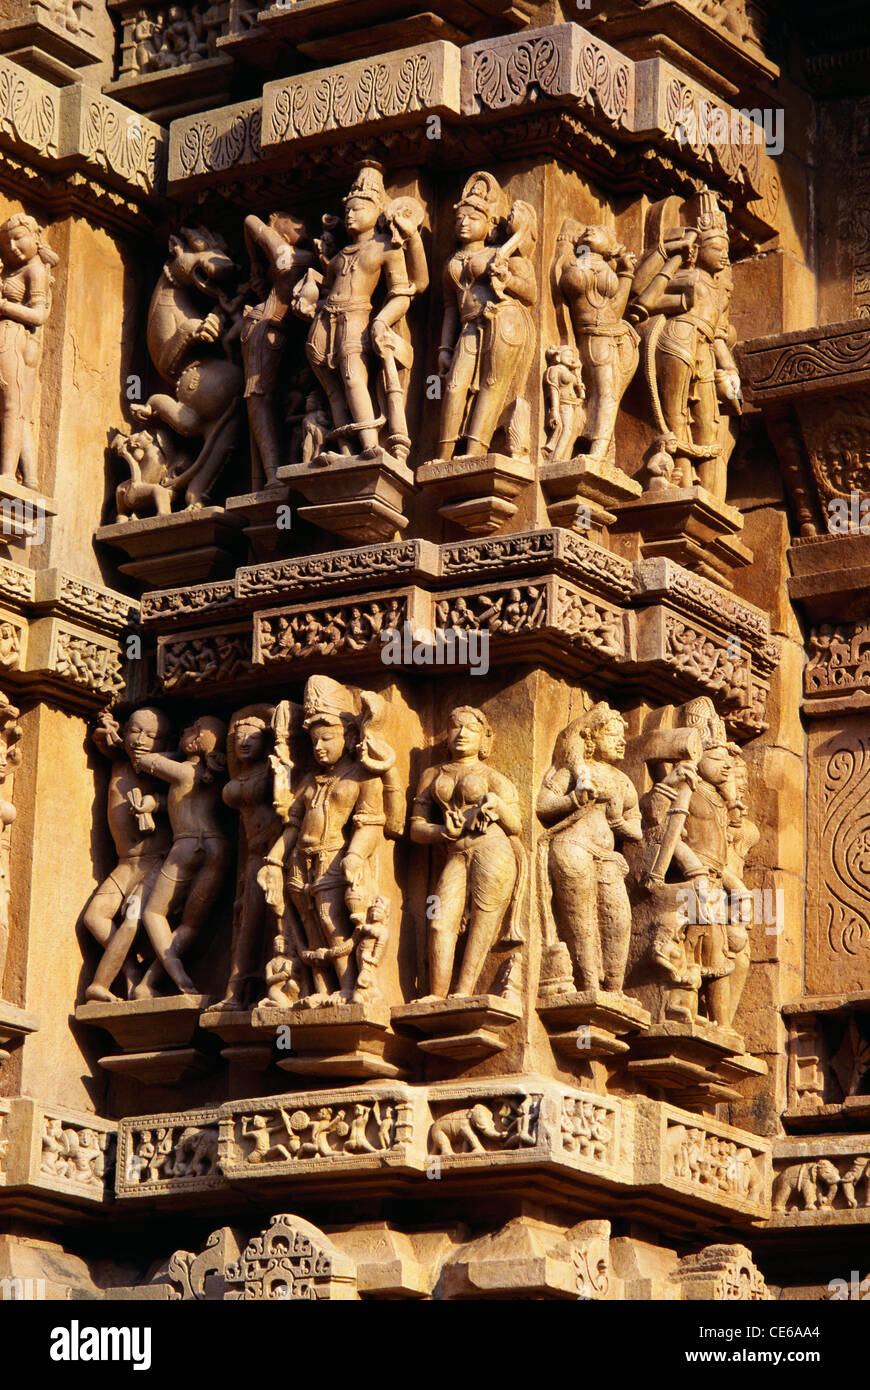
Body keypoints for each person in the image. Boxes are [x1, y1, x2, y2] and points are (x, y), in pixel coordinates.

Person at [411, 706, 524, 999]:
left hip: (492, 849)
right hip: (455, 852)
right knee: (439, 921)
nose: (461, 734)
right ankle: (436, 994)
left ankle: (463, 992)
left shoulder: (492, 777)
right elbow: (415, 829)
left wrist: (495, 805)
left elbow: (515, 825)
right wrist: (442, 832)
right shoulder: (432, 775)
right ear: (446, 735)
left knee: (482, 923)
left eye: (471, 729)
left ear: (484, 738)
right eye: (455, 727)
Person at [537, 704, 642, 994]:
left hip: (607, 856)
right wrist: (576, 799)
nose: (621, 741)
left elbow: (636, 829)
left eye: (622, 736)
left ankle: (615, 989)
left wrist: (616, 819)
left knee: (618, 918)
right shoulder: (574, 770)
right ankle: (587, 986)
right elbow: (544, 805)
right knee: (581, 920)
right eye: (612, 734)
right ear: (591, 740)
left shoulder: (623, 781)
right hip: (573, 846)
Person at [437, 172, 537, 461]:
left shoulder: (502, 254)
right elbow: (449, 308)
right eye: (459, 219)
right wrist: (444, 348)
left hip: (501, 320)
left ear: (490, 222)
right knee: (455, 385)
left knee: (492, 384)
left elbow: (530, 294)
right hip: (468, 327)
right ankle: (443, 455)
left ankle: (474, 452)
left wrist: (506, 279)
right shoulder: (451, 262)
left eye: (473, 218)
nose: (464, 224)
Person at [131, 715, 229, 997]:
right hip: (218, 848)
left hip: (188, 846)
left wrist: (179, 750)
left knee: (152, 913)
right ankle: (148, 984)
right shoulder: (208, 775)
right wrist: (156, 803)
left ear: (198, 741)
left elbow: (144, 760)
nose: (183, 730)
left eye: (190, 729)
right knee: (189, 925)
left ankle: (180, 977)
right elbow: (181, 802)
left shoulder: (184, 770)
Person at [83, 707, 172, 1002]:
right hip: (125, 864)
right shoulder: (122, 759)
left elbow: (186, 790)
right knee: (94, 917)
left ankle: (101, 984)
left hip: (153, 863)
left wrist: (154, 802)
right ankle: (131, 972)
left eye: (151, 735)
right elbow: (105, 742)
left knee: (134, 918)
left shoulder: (161, 765)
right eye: (135, 731)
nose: (140, 740)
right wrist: (104, 730)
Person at [0, 213, 58, 487]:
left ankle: (9, 474)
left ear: (35, 237)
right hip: (8, 337)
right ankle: (31, 479)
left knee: (13, 407)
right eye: (7, 242)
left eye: (17, 238)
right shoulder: (13, 270)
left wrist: (4, 307)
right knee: (16, 409)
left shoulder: (34, 271)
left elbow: (39, 316)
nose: (11, 246)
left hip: (14, 338)